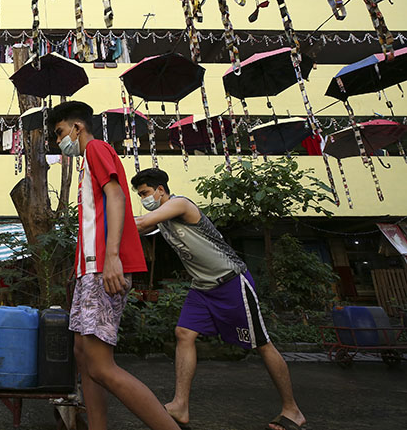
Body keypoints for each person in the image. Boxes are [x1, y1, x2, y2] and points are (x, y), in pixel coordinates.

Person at [131, 168, 307, 430]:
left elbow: (140, 223)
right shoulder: (162, 221)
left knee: (262, 344)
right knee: (183, 333)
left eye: (145, 193)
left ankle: (293, 410)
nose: (143, 198)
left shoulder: (180, 204)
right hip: (202, 288)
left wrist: (103, 220)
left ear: (160, 190)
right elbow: (137, 228)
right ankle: (180, 405)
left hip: (231, 281)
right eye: (139, 195)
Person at [47, 101, 180, 430]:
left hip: (102, 267)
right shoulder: (86, 162)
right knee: (83, 354)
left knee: (101, 366)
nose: (59, 140)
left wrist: (111, 258)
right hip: (88, 271)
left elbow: (117, 197)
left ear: (77, 128)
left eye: (60, 132)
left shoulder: (95, 148)